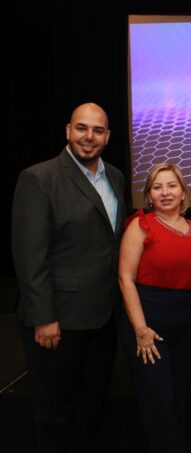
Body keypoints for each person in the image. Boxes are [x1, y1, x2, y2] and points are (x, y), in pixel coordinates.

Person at [11, 102, 126, 452]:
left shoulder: (116, 177)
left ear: (108, 136)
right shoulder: (39, 178)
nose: (89, 137)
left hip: (103, 317)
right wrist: (44, 317)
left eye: (97, 130)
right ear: (68, 131)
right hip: (57, 321)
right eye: (81, 128)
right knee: (54, 412)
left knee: (90, 407)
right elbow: (30, 257)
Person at [118, 163, 191, 453]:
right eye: (157, 187)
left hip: (184, 324)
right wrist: (141, 330)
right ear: (149, 196)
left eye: (171, 186)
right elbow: (125, 279)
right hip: (148, 325)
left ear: (184, 192)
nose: (165, 192)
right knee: (159, 403)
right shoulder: (141, 226)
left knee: (178, 399)